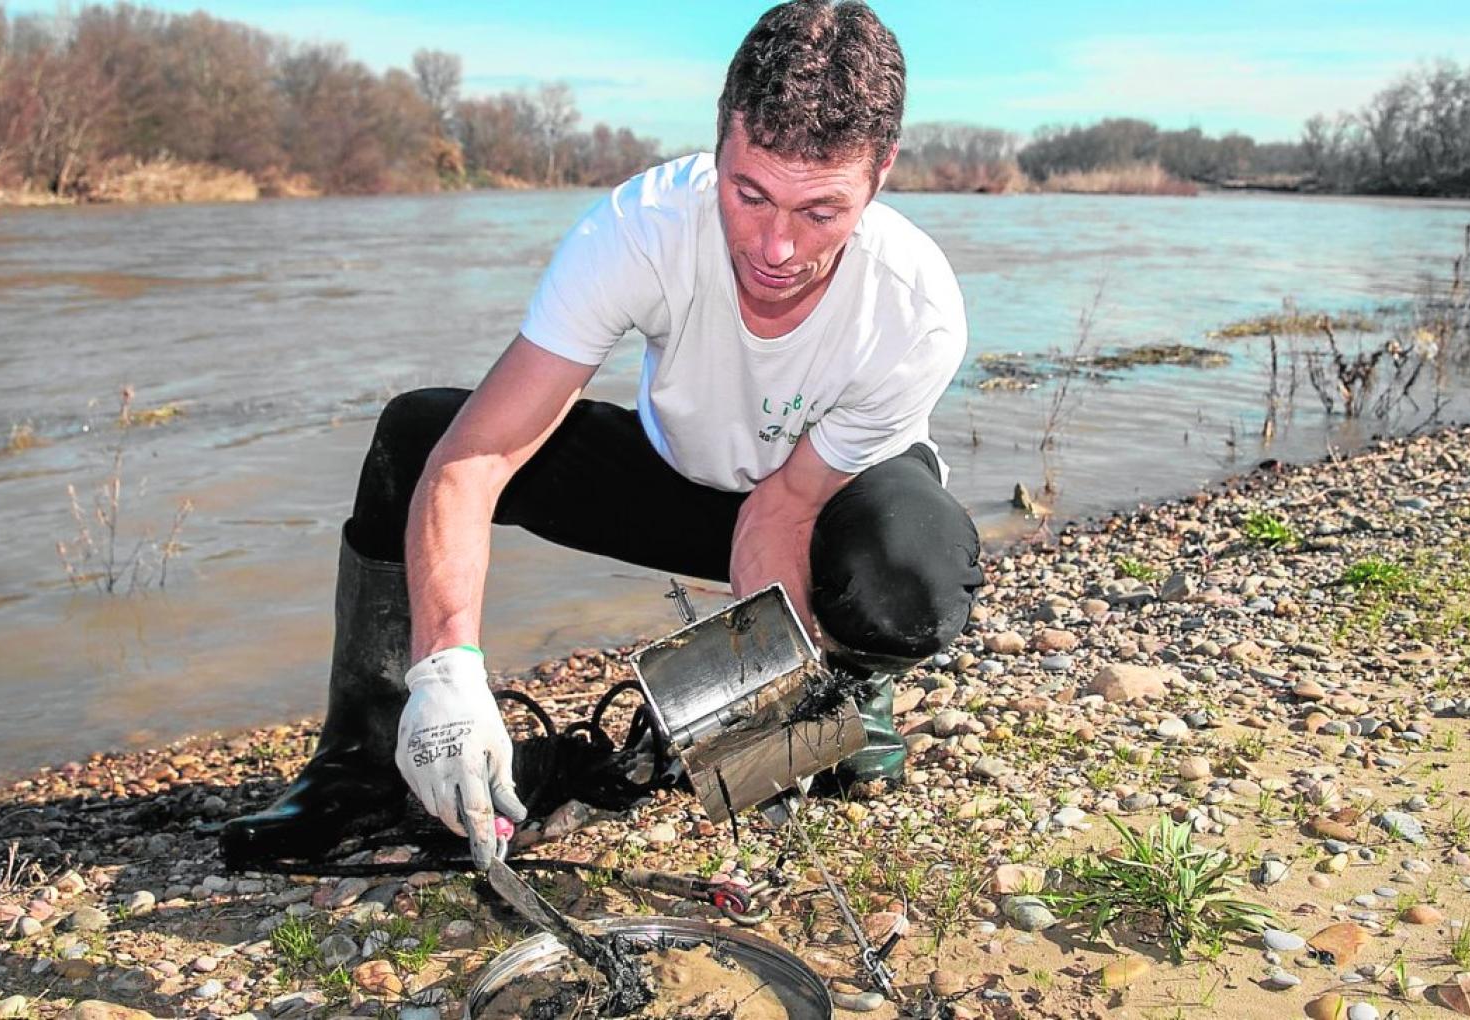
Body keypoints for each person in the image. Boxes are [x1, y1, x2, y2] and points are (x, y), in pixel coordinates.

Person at [222, 0, 982, 873]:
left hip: (826, 503)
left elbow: (781, 512)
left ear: (881, 171)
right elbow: (471, 466)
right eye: (750, 193)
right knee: (419, 433)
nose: (776, 245)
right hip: (682, 474)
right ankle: (364, 757)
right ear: (720, 140)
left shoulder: (915, 307)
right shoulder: (639, 230)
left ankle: (850, 692)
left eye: (821, 211)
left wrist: (767, 722)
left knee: (909, 572)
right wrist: (447, 670)